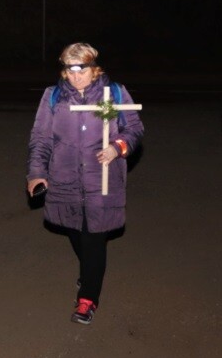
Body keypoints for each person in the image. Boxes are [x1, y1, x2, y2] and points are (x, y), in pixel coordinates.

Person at [27, 43, 144, 325]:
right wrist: (36, 173)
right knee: (76, 232)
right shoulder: (53, 96)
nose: (77, 75)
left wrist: (118, 147)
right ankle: (90, 270)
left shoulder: (112, 93)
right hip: (64, 177)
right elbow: (41, 138)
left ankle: (88, 298)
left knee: (94, 238)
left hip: (101, 180)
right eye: (71, 69)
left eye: (83, 69)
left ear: (95, 69)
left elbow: (134, 129)